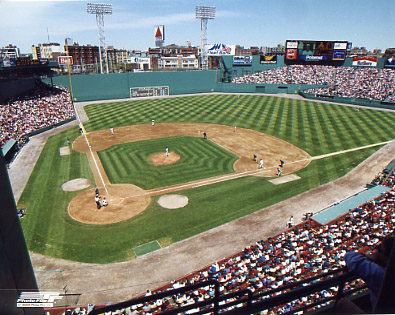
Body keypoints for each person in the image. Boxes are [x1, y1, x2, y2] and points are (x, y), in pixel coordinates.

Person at [344, 235, 394, 309]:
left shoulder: (380, 274)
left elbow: (349, 256)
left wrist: (369, 257)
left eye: (380, 250)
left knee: (342, 303)